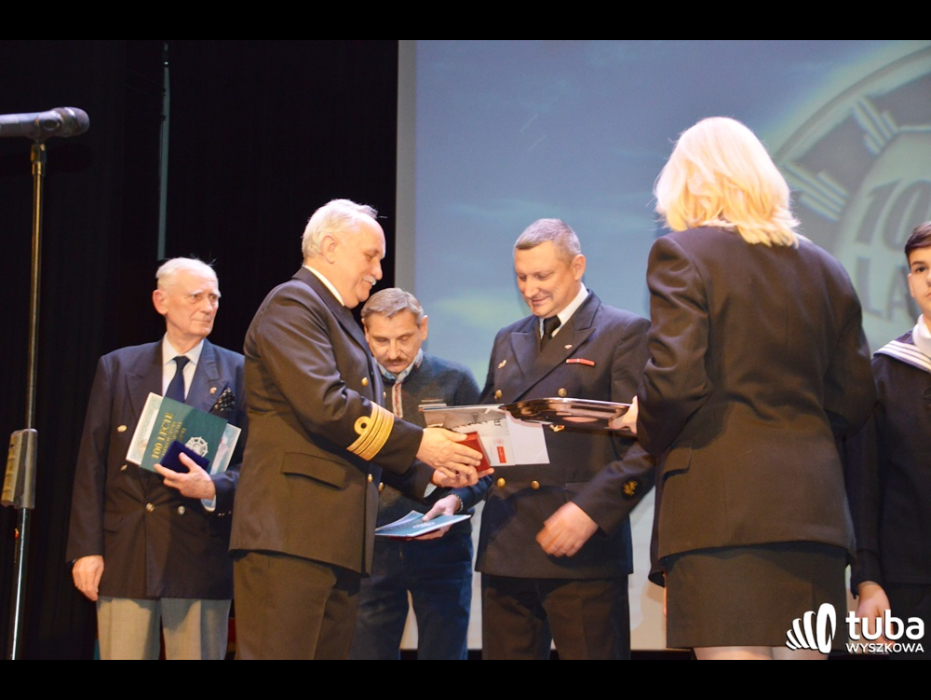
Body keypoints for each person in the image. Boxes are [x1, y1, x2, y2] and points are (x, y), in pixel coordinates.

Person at [632, 116, 874, 660]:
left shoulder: (682, 253)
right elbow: (855, 399)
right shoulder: (828, 268)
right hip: (813, 516)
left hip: (720, 516)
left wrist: (642, 419)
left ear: (689, 183)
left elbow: (675, 384)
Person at [229, 199, 481, 660]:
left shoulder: (334, 316)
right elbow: (327, 407)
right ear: (330, 247)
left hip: (332, 542)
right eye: (371, 256)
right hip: (291, 537)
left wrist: (429, 476)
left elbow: (350, 437)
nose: (378, 271)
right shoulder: (293, 303)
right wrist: (421, 444)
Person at [473, 218, 653, 660]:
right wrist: (454, 496)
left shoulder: (623, 332)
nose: (530, 289)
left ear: (577, 266)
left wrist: (592, 511)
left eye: (542, 275)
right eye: (521, 277)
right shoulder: (508, 338)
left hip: (583, 549)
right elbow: (488, 435)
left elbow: (649, 443)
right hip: (507, 541)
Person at [66, 257, 246, 660]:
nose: (208, 307)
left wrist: (213, 486)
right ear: (160, 301)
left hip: (199, 552)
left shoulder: (239, 371)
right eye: (196, 296)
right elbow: (91, 465)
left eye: (214, 298)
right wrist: (86, 549)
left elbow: (256, 463)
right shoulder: (118, 367)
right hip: (127, 550)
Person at [349, 287, 481, 660]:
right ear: (365, 334)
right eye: (381, 340)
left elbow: (485, 469)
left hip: (443, 546)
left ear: (423, 328)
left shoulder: (456, 380)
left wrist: (456, 501)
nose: (393, 352)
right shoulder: (348, 388)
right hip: (370, 548)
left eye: (404, 338)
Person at [845, 221, 931, 659]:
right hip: (909, 585)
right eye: (920, 268)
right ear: (909, 281)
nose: (930, 278)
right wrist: (868, 580)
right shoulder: (883, 373)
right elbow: (864, 487)